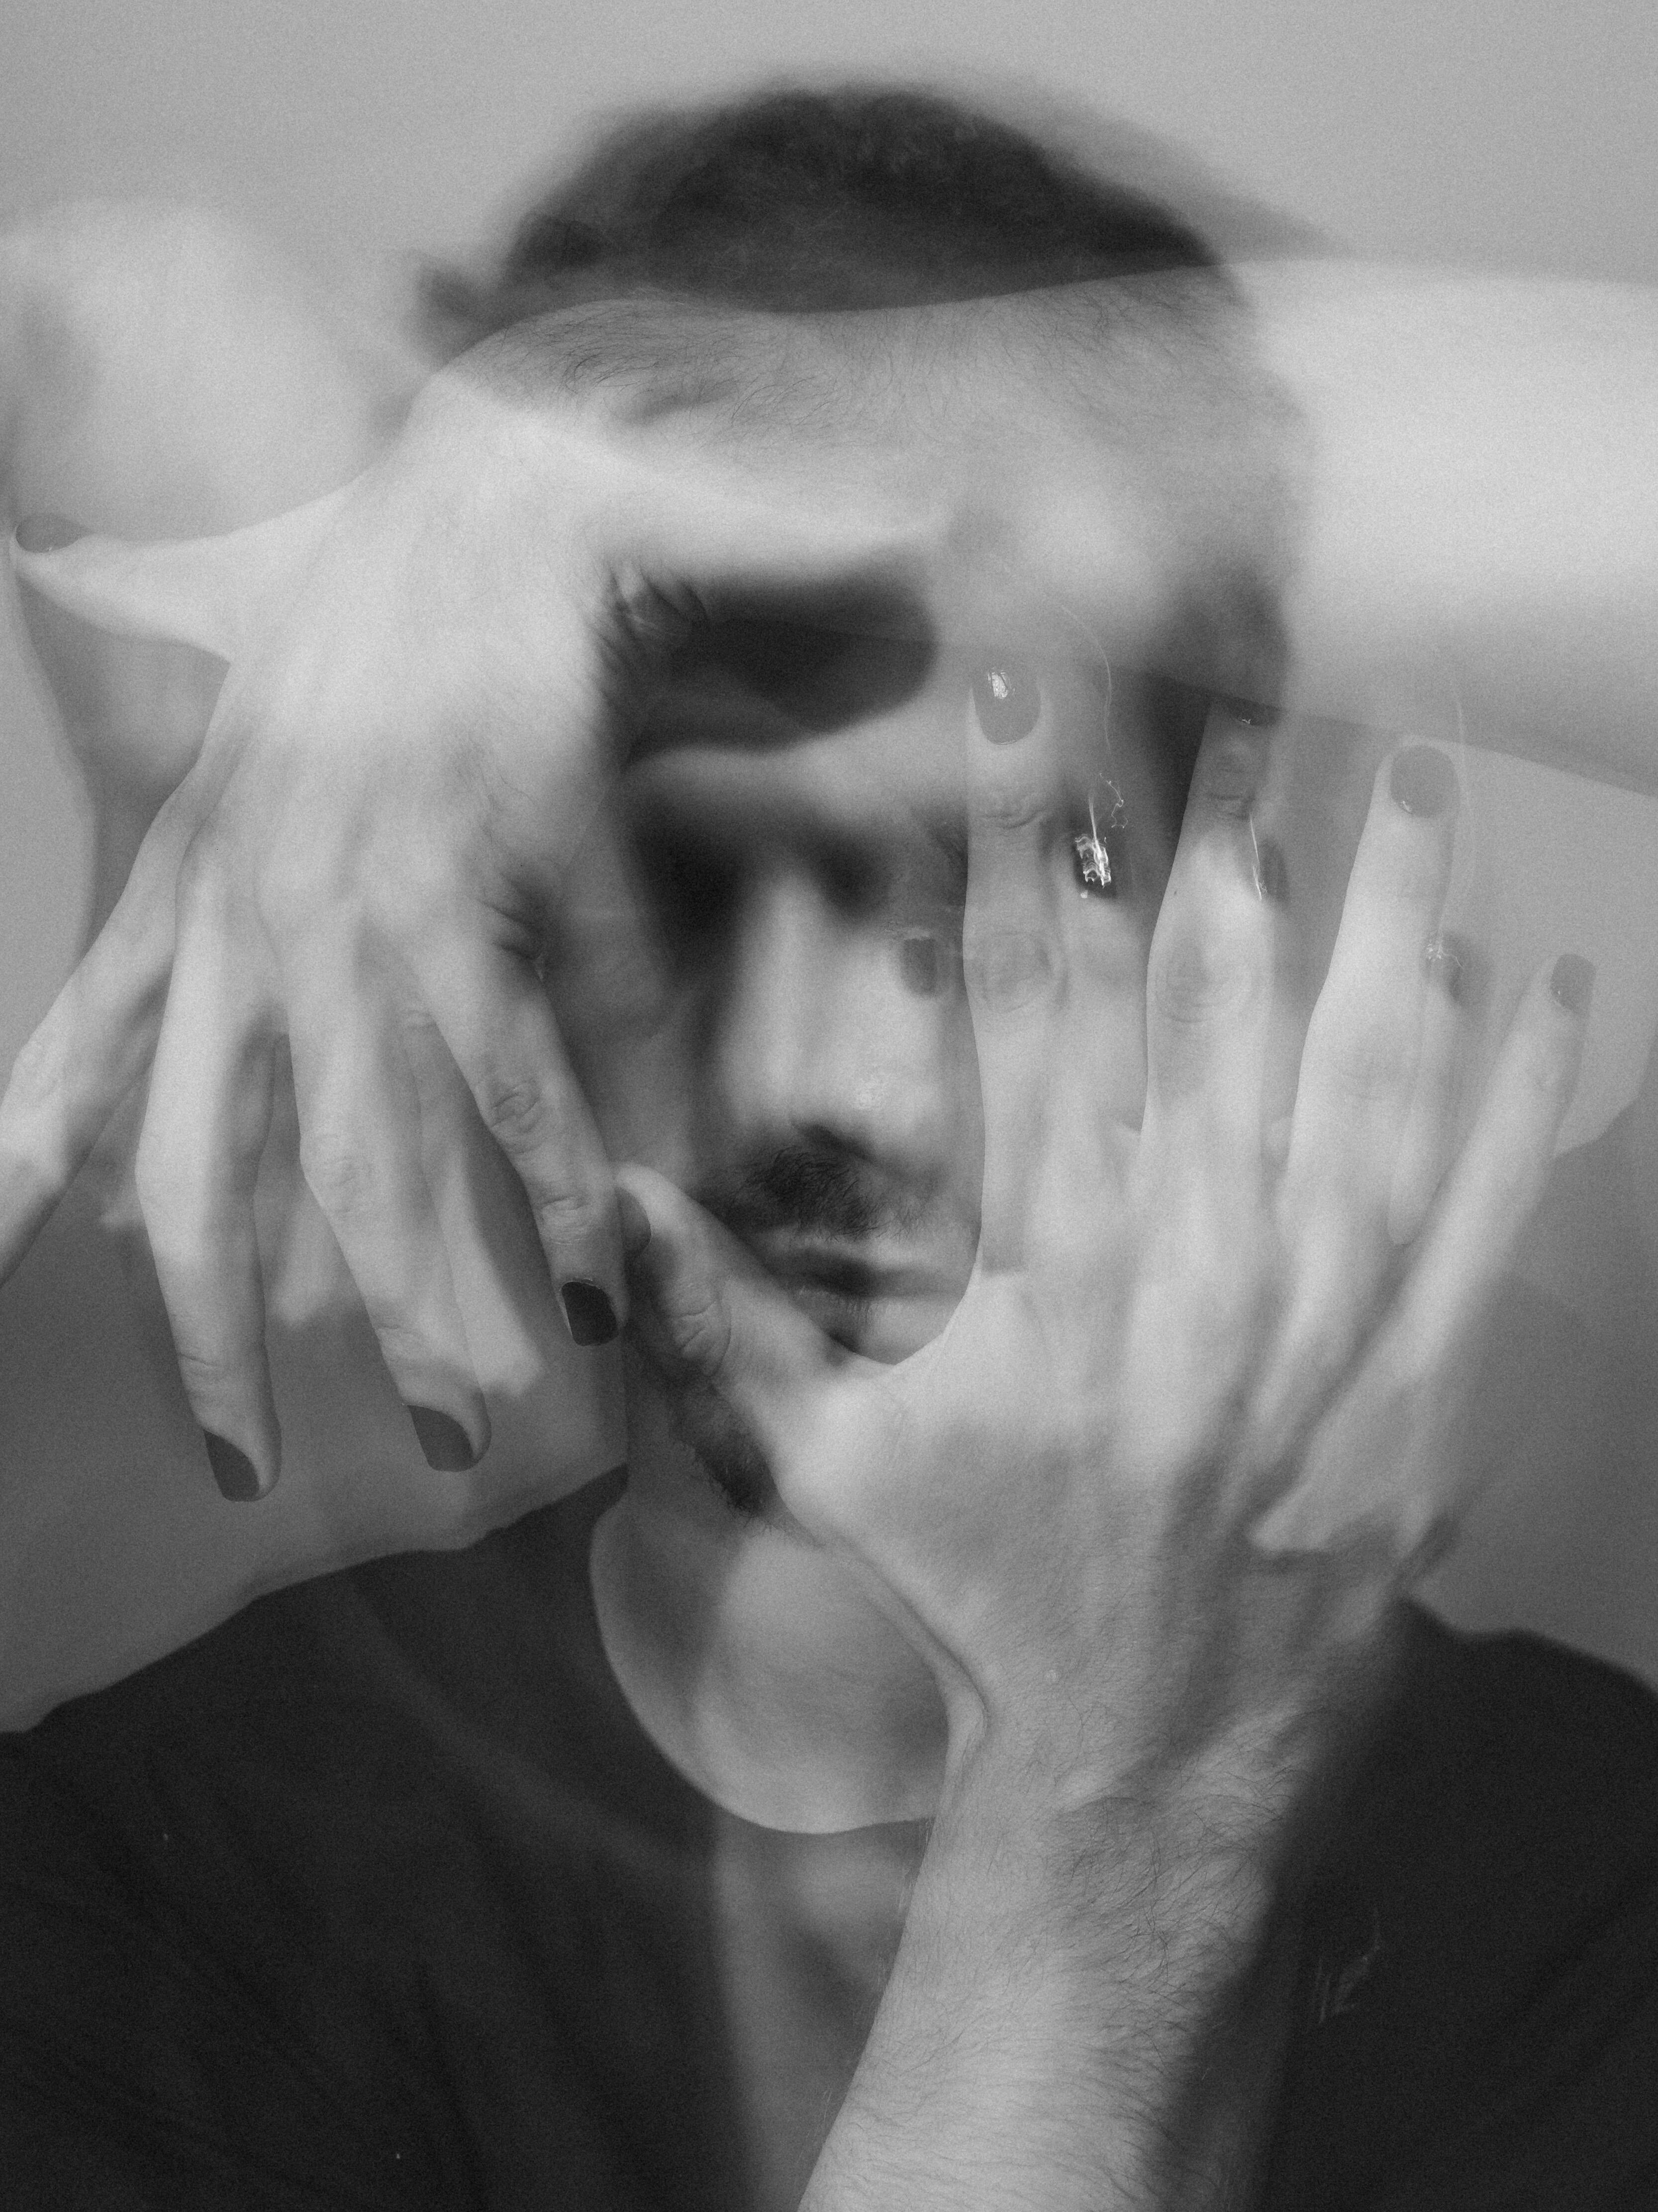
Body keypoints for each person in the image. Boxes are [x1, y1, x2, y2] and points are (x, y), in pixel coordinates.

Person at [3, 84, 1658, 2211]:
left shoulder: (1593, 1886)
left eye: (1016, 884)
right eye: (703, 892)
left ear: (1219, 924)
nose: (845, 1094)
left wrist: (648, 448)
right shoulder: (162, 1885)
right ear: (499, 931)